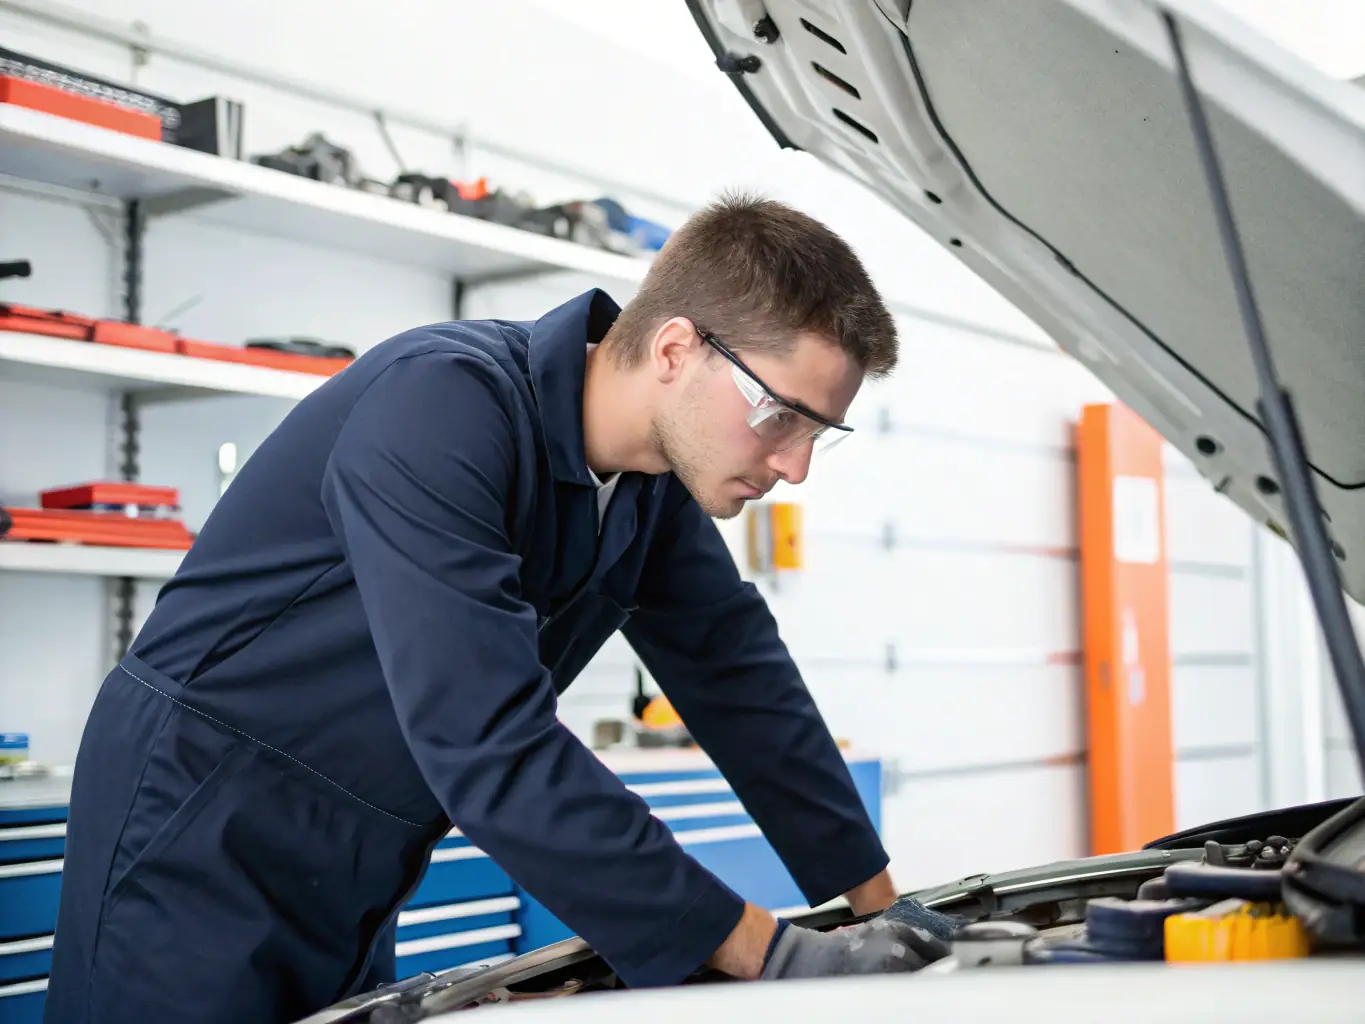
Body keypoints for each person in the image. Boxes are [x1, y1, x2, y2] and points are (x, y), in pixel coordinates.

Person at [44, 192, 945, 1024]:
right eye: (780, 415)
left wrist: (881, 912)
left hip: (361, 842)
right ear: (674, 351)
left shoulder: (646, 486)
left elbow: (736, 674)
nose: (794, 467)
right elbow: (487, 738)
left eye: (817, 434)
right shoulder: (440, 405)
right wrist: (771, 955)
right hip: (198, 820)